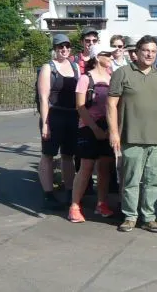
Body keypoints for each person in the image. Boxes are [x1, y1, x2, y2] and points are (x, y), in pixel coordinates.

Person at [107, 35, 157, 233]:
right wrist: (114, 132)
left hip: (155, 138)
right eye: (145, 50)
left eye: (153, 51)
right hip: (131, 136)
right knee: (131, 179)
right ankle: (130, 216)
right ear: (137, 52)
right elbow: (111, 104)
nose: (149, 54)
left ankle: (149, 217)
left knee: (153, 180)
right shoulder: (122, 73)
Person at [68, 44, 116, 222]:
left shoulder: (113, 77)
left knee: (104, 168)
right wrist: (95, 129)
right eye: (107, 54)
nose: (111, 56)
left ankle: (101, 203)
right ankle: (74, 205)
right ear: (98, 57)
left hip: (107, 127)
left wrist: (110, 129)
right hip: (88, 128)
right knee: (86, 167)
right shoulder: (85, 78)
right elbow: (80, 107)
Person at [37, 33, 80, 210]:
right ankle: (48, 194)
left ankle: (70, 191)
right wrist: (46, 123)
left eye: (67, 46)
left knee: (68, 155)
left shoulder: (75, 66)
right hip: (53, 115)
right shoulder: (49, 68)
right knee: (48, 154)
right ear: (55, 49)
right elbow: (44, 98)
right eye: (60, 47)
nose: (64, 49)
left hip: (72, 116)